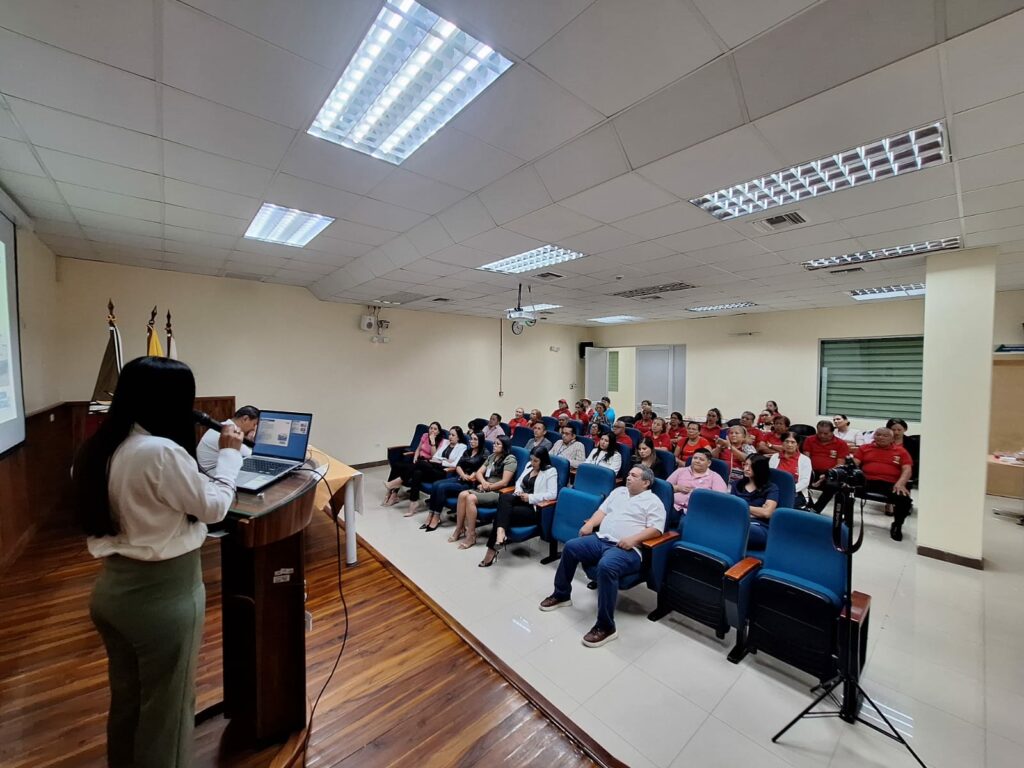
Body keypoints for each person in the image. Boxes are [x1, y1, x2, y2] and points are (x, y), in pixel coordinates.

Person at [72, 356, 244, 768]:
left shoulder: (99, 448)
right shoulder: (160, 452)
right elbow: (214, 507)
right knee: (168, 712)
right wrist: (230, 455)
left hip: (114, 593)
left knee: (129, 700)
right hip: (163, 598)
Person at [538, 466, 665, 648]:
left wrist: (633, 539)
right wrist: (590, 523)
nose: (628, 477)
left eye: (634, 475)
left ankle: (606, 627)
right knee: (571, 547)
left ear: (646, 483)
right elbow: (602, 512)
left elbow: (656, 529)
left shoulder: (653, 501)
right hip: (602, 539)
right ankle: (562, 594)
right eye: (629, 474)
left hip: (628, 548)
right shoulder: (619, 492)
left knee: (606, 566)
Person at [479, 447, 559, 567]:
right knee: (504, 497)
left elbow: (552, 494)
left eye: (536, 461)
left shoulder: (550, 471)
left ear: (543, 460)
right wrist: (518, 491)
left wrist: (530, 497)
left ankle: (491, 551)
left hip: (533, 507)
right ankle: (501, 533)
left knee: (501, 514)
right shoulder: (529, 465)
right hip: (520, 499)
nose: (532, 463)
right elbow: (518, 482)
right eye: (531, 459)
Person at [450, 437, 517, 548]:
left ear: (504, 446)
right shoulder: (492, 456)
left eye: (498, 444)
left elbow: (504, 482)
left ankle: (471, 535)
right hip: (486, 487)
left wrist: (488, 487)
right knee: (462, 495)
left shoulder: (510, 459)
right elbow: (479, 473)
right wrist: (483, 482)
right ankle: (459, 528)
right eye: (494, 443)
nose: (494, 445)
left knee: (470, 498)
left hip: (498, 492)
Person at [854, 427, 913, 541]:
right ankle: (846, 518)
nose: (881, 437)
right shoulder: (864, 448)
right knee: (844, 489)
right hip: (867, 480)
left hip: (890, 483)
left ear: (892, 438)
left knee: (904, 500)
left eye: (885, 436)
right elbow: (855, 463)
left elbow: (907, 469)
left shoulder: (901, 451)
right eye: (878, 435)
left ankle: (897, 525)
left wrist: (901, 483)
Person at [423, 431, 487, 531]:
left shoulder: (484, 453)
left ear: (481, 441)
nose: (471, 441)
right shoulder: (468, 451)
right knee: (436, 484)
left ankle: (436, 516)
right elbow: (458, 465)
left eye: (475, 439)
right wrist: (462, 474)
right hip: (460, 477)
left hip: (470, 483)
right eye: (471, 439)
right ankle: (430, 514)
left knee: (442, 487)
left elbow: (481, 470)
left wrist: (471, 476)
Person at [405, 426, 466, 518]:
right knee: (417, 473)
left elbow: (455, 464)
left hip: (444, 472)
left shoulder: (462, 447)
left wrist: (441, 461)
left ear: (458, 437)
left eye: (453, 435)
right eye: (449, 434)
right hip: (435, 467)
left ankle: (402, 479)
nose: (450, 437)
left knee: (420, 463)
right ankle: (413, 502)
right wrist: (445, 460)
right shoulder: (445, 442)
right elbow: (435, 457)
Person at [384, 421, 442, 506]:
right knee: (397, 465)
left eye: (435, 429)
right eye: (431, 428)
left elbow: (434, 457)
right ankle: (391, 492)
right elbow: (418, 449)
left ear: (438, 432)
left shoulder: (440, 441)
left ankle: (394, 488)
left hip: (427, 464)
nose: (432, 430)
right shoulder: (425, 435)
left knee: (411, 470)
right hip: (418, 460)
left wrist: (433, 442)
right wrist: (415, 457)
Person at [732, 455, 779, 550]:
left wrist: (741, 507)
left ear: (760, 469)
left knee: (737, 528)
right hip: (736, 520)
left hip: (758, 527)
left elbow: (767, 513)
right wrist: (757, 511)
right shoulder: (737, 484)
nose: (746, 469)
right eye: (745, 465)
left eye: (751, 466)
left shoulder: (771, 488)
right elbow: (731, 507)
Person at [804, 420, 851, 513]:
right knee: (797, 479)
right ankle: (808, 505)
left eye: (826, 433)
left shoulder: (841, 443)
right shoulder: (809, 440)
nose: (822, 436)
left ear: (832, 432)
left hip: (831, 473)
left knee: (832, 486)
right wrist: (809, 473)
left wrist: (826, 474)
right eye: (820, 433)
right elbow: (806, 460)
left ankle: (816, 509)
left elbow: (840, 465)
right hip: (811, 471)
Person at [196, 405, 258, 472]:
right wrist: (251, 441)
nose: (254, 429)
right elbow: (252, 456)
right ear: (245, 419)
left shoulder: (224, 426)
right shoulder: (229, 433)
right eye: (254, 424)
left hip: (209, 470)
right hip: (211, 473)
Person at [667, 448, 728, 515]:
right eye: (695, 458)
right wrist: (677, 488)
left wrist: (700, 495)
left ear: (709, 463)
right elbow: (665, 487)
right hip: (673, 506)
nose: (697, 461)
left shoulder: (715, 477)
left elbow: (721, 499)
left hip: (698, 511)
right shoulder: (680, 471)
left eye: (701, 459)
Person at [768, 431, 812, 508]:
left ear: (797, 444)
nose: (789, 445)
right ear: (782, 443)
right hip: (775, 491)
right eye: (787, 441)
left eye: (793, 442)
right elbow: (770, 476)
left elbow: (805, 481)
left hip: (795, 492)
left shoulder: (805, 460)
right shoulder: (775, 457)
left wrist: (788, 490)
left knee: (783, 506)